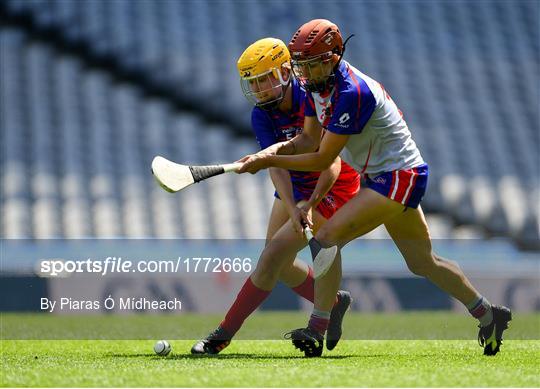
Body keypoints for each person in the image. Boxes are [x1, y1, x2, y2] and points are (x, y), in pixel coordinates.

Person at [237, 20, 511, 357]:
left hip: (399, 175)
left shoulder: (352, 93)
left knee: (326, 239)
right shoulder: (316, 86)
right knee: (422, 262)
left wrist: (267, 163)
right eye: (301, 65)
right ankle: (488, 314)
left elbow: (322, 157)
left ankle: (317, 327)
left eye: (312, 64)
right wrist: (271, 152)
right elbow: (306, 139)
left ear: (334, 56)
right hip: (382, 175)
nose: (304, 73)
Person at [191, 37, 360, 355]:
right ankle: (335, 303)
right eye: (252, 85)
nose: (258, 91)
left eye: (263, 81)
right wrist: (292, 200)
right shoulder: (262, 115)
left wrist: (307, 204)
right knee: (279, 263)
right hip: (297, 185)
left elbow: (331, 164)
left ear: (285, 72)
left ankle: (222, 335)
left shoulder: (312, 99)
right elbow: (275, 165)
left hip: (333, 185)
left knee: (270, 259)